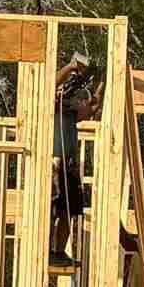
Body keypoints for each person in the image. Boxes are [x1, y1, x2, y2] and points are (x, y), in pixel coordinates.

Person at [49, 55, 102, 268]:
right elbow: (48, 86)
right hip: (53, 163)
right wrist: (71, 66)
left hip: (68, 165)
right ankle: (45, 251)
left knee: (68, 210)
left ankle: (59, 252)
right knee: (50, 211)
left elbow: (88, 111)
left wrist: (99, 89)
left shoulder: (70, 114)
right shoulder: (50, 106)